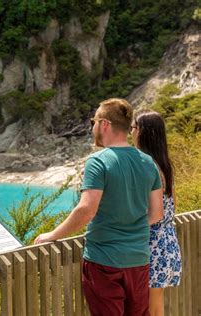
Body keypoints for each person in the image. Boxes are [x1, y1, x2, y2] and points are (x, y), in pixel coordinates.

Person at [34, 98, 164, 315]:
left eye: (93, 122)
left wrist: (52, 235)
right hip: (139, 261)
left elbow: (86, 209)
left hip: (105, 262)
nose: (93, 127)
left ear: (104, 124)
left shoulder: (99, 161)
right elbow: (157, 213)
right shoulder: (147, 162)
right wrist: (131, 225)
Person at [131, 110, 182, 316]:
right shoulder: (164, 164)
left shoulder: (147, 166)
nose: (131, 132)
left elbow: (154, 214)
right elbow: (172, 205)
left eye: (133, 128)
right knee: (155, 304)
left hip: (152, 244)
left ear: (143, 132)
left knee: (151, 308)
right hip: (167, 240)